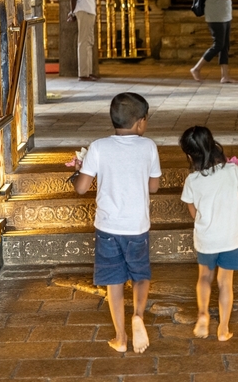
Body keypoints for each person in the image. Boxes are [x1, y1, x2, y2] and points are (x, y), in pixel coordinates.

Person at [71, 92, 161, 353]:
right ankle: (138, 316)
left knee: (114, 282)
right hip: (137, 226)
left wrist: (80, 167)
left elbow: (81, 189)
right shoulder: (148, 147)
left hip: (108, 227)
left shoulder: (99, 147)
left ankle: (121, 338)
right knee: (141, 275)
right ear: (140, 122)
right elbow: (154, 187)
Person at [179, 126, 238, 341]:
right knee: (225, 282)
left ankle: (203, 315)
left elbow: (193, 212)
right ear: (213, 145)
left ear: (190, 155)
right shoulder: (233, 171)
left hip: (206, 237)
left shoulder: (192, 180)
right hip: (230, 236)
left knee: (204, 277)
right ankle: (223, 328)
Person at [189, 0, 238, 84]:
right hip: (216, 15)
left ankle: (225, 75)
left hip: (226, 14)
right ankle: (196, 68)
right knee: (218, 44)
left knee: (225, 45)